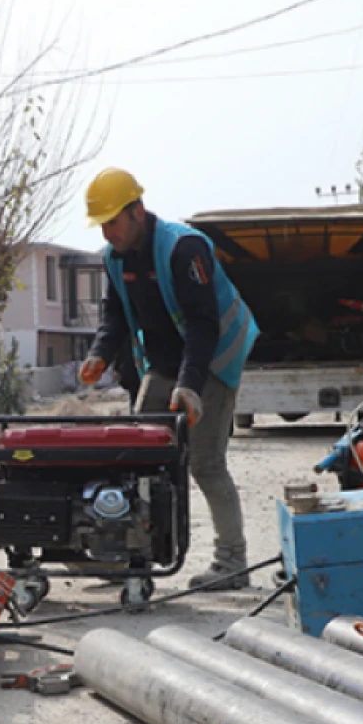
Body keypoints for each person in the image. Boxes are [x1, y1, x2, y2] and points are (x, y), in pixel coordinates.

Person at [78, 168, 260, 590]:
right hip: (163, 364)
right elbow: (116, 315)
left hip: (211, 360)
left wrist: (190, 385)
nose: (107, 233)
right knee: (136, 456)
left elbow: (202, 324)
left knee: (205, 463)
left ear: (137, 211)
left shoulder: (184, 248)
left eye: (113, 221)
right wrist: (100, 353)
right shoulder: (114, 257)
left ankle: (232, 563)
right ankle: (133, 553)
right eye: (101, 224)